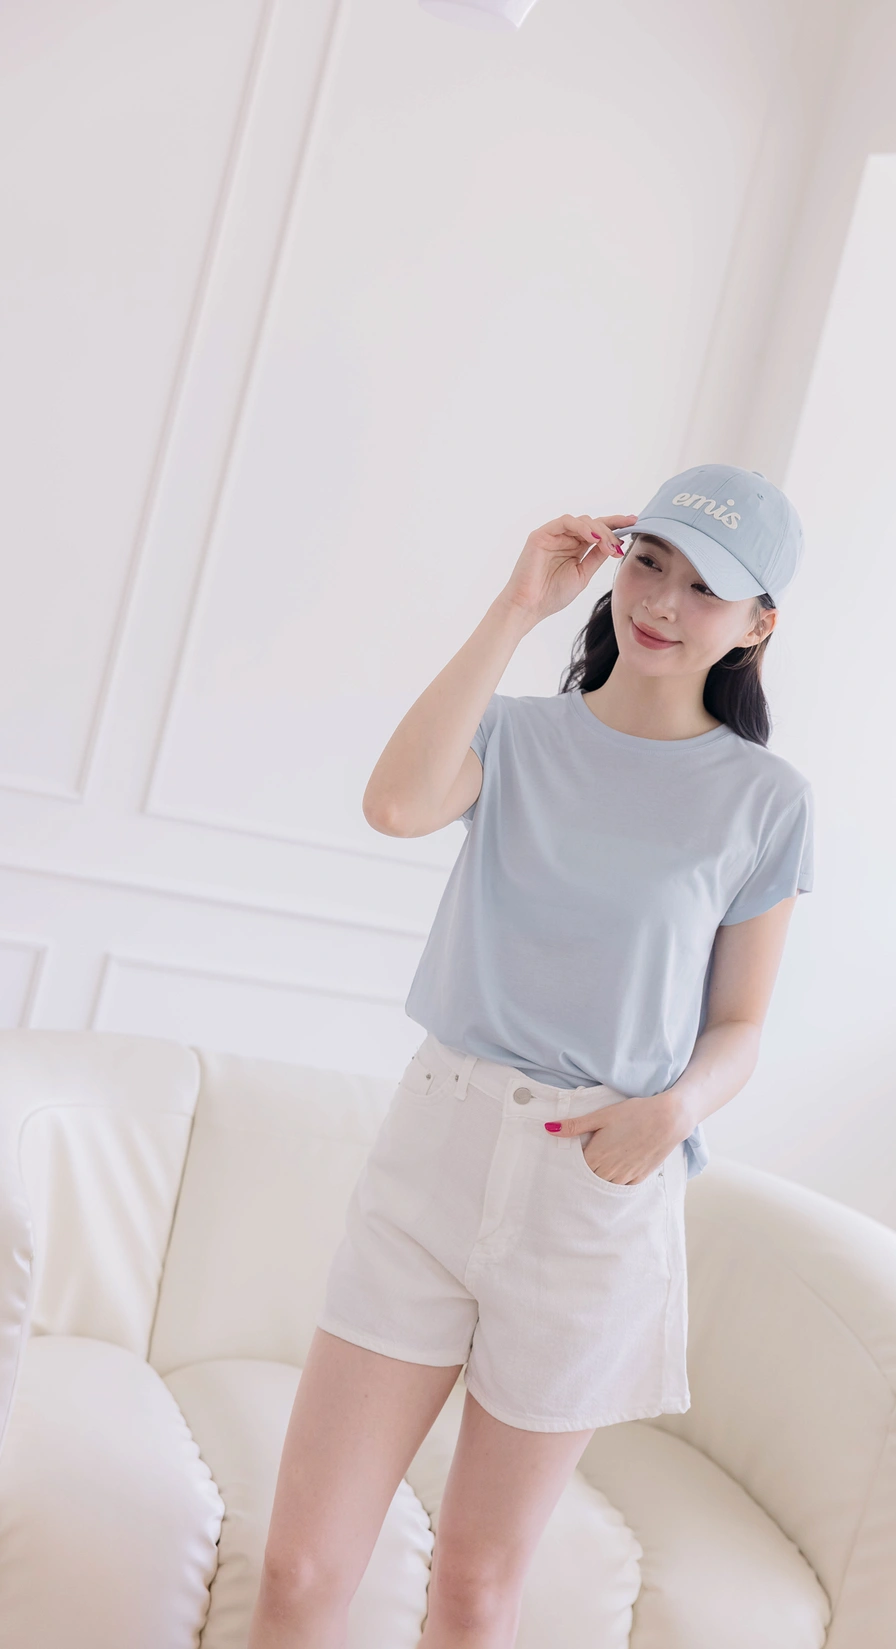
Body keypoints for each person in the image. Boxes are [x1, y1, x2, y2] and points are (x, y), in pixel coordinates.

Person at [247, 462, 815, 1649]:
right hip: (436, 1153)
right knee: (301, 1566)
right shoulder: (513, 735)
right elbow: (394, 804)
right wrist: (515, 609)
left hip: (592, 1185)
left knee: (472, 1588)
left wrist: (674, 1110)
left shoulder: (763, 801)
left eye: (703, 587)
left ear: (756, 625)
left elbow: (740, 1024)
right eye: (647, 561)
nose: (660, 601)